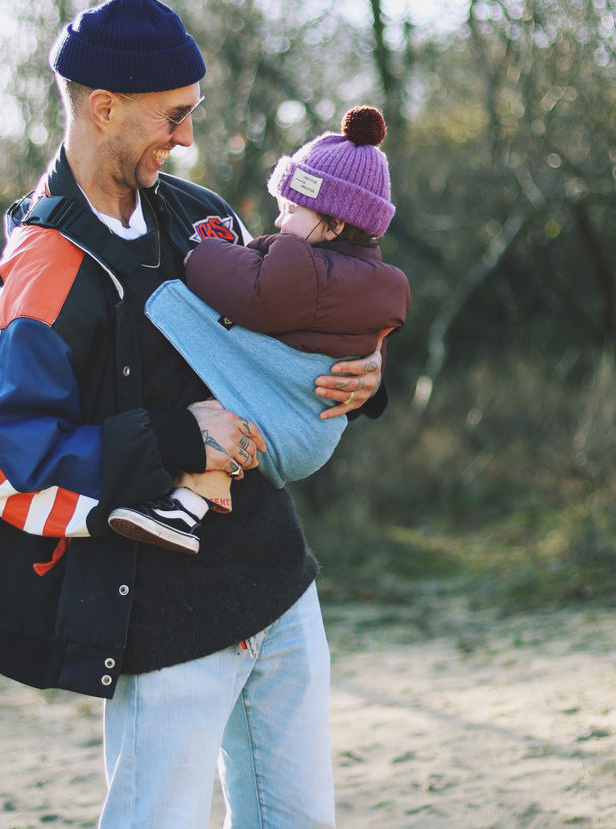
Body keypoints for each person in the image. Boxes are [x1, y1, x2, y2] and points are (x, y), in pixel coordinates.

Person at [0, 1, 385, 829]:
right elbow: (2, 455)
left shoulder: (203, 217)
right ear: (103, 107)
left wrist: (362, 375)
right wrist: (175, 438)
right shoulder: (44, 266)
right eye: (172, 114)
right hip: (158, 617)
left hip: (277, 590)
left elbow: (301, 327)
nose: (187, 136)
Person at [107, 105, 411, 554]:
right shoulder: (387, 283)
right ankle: (186, 508)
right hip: (318, 428)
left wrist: (201, 254)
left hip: (287, 411)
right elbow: (369, 339)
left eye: (291, 210)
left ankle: (184, 506)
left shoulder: (299, 265)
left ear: (335, 223)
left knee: (227, 417)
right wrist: (376, 371)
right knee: (232, 427)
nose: (280, 222)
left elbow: (250, 290)